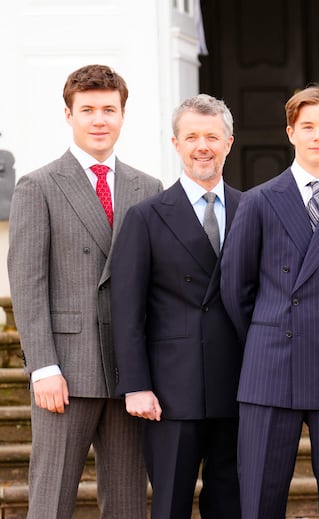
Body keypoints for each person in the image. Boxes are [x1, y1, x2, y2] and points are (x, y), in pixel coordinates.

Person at [7, 64, 163, 518]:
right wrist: (43, 367)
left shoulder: (147, 187)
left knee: (129, 501)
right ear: (68, 114)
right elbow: (28, 284)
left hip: (128, 373)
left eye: (109, 110)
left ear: (122, 115)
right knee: (51, 498)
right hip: (66, 372)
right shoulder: (38, 185)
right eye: (88, 109)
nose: (99, 119)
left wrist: (151, 370)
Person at [220, 85, 319, 519]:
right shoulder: (257, 201)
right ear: (290, 132)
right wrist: (268, 330)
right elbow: (235, 289)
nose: (317, 136)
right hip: (271, 364)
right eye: (307, 126)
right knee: (258, 499)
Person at [110, 94, 242, 518]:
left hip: (239, 383)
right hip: (170, 390)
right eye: (191, 137)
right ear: (176, 143)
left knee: (233, 502)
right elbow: (127, 309)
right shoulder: (146, 216)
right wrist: (136, 384)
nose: (201, 145)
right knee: (169, 504)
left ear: (228, 142)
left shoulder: (254, 209)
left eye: (211, 136)